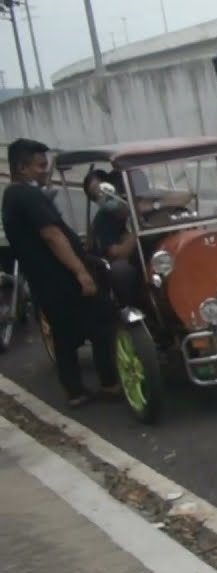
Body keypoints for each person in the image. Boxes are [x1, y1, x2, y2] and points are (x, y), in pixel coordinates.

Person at [2, 138, 120, 407]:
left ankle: (75, 392)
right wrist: (81, 272)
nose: (46, 171)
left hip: (44, 281)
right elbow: (52, 235)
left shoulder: (13, 197)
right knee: (103, 320)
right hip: (61, 278)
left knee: (63, 337)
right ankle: (109, 383)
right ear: (21, 168)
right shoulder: (26, 196)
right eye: (40, 166)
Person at [82, 169, 143, 308]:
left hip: (156, 256)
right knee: (121, 271)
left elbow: (183, 197)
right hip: (127, 263)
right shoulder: (102, 221)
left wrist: (156, 205)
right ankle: (130, 310)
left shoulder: (138, 202)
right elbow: (118, 253)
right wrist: (138, 229)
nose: (102, 196)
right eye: (96, 196)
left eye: (104, 190)